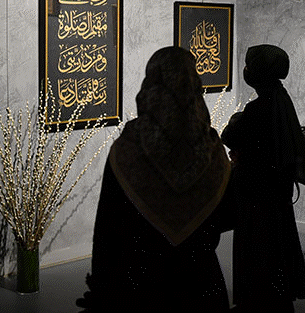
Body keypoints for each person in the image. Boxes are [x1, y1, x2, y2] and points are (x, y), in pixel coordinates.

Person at [76, 46, 233, 313]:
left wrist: (101, 289)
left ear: (150, 86)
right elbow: (226, 215)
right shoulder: (213, 152)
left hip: (138, 286)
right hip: (200, 286)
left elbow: (107, 232)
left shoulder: (127, 151)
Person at [221, 44, 305, 312]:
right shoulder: (281, 99)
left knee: (258, 253)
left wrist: (237, 123)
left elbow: (231, 137)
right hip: (277, 195)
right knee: (276, 250)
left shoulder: (259, 108)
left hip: (257, 197)